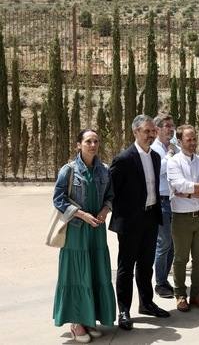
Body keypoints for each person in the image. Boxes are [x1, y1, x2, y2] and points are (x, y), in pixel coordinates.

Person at [52, 129, 115, 343]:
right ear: (78, 144)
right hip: (76, 231)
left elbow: (110, 196)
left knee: (95, 273)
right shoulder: (68, 170)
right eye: (88, 141)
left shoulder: (104, 170)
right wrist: (81, 214)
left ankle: (89, 319)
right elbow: (59, 199)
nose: (93, 144)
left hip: (96, 231)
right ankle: (76, 322)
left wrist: (105, 211)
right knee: (77, 275)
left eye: (96, 141)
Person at [109, 115, 170, 331]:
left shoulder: (155, 157)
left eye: (153, 131)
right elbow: (111, 191)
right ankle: (124, 310)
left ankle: (146, 303)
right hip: (130, 222)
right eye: (147, 131)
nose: (151, 135)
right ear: (135, 132)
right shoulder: (124, 159)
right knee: (126, 268)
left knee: (146, 266)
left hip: (151, 218)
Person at [167, 125, 199, 312]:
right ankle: (180, 295)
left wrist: (190, 191)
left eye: (194, 138)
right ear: (179, 142)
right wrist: (198, 189)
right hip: (182, 218)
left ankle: (196, 294)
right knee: (180, 259)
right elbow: (179, 184)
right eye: (189, 139)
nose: (193, 142)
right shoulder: (174, 162)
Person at [150, 113, 178, 299]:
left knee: (174, 244)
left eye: (172, 125)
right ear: (157, 129)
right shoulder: (155, 150)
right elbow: (158, 170)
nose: (170, 129)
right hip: (161, 201)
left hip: (175, 200)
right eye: (167, 126)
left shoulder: (172, 148)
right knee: (164, 243)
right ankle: (160, 283)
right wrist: (169, 156)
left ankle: (165, 279)